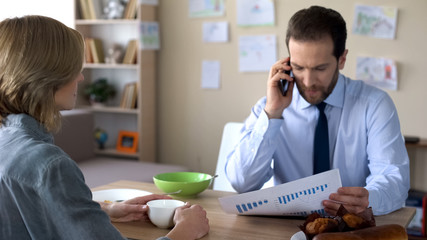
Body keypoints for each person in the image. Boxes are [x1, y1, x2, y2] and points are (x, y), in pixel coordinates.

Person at [0, 16, 209, 240]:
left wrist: (103, 210)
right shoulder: (49, 165)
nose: (80, 77)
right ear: (46, 76)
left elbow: (28, 212)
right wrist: (186, 230)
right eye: (73, 69)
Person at [225, 6, 409, 216]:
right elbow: (242, 183)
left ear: (342, 59)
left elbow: (393, 179)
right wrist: (272, 114)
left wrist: (369, 198)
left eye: (320, 68)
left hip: (351, 227)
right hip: (287, 229)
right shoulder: (270, 107)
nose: (308, 81)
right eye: (299, 67)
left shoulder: (374, 105)